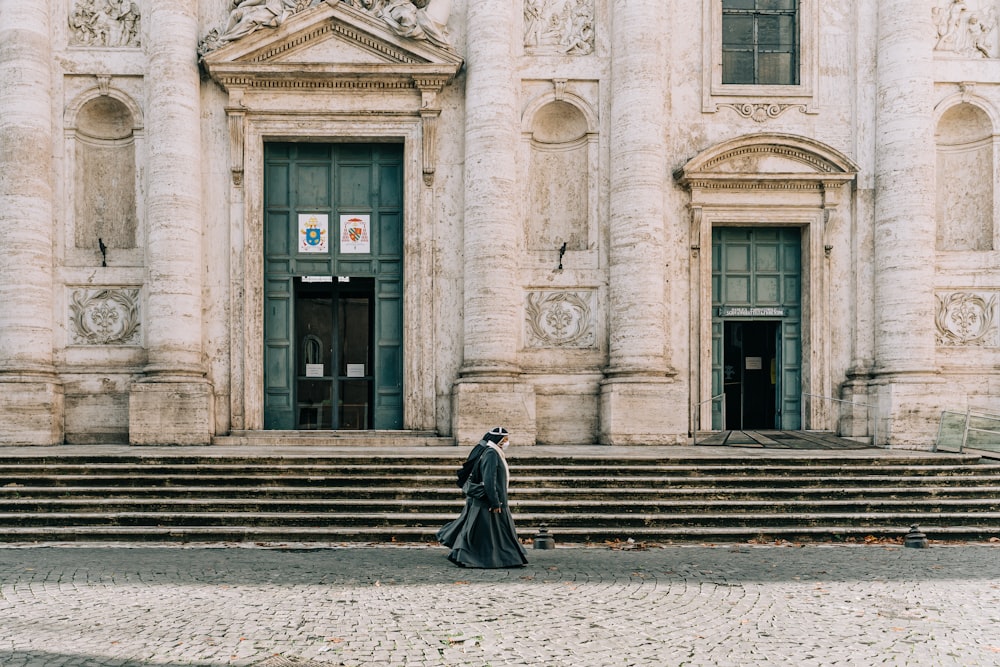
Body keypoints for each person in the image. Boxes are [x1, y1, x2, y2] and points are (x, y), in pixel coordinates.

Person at [437, 427, 528, 569]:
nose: (507, 442)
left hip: (492, 500)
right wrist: (495, 501)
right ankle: (475, 556)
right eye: (505, 440)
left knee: (485, 531)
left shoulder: (493, 452)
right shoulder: (491, 454)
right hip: (491, 501)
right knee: (486, 531)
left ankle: (505, 557)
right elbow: (489, 480)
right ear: (498, 440)